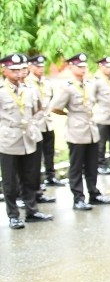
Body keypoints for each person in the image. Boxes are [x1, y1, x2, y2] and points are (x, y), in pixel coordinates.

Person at [50, 53, 110, 209]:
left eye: (84, 66)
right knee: (77, 166)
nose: (83, 69)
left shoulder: (90, 84)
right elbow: (55, 107)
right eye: (79, 66)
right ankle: (78, 197)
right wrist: (70, 115)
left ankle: (94, 193)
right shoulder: (67, 87)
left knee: (92, 165)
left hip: (91, 130)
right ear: (71, 67)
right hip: (76, 132)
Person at [1, 54, 52, 229]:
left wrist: (34, 123)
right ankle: (13, 215)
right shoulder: (1, 90)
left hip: (29, 137)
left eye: (20, 69)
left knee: (31, 176)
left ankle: (31, 210)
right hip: (9, 139)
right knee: (10, 180)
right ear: (4, 70)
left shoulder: (30, 89)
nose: (18, 74)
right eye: (13, 70)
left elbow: (40, 108)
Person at [26, 54, 62, 190]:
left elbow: (51, 100)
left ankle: (50, 176)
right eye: (37, 66)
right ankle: (37, 183)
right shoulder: (27, 83)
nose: (40, 68)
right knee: (35, 157)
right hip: (35, 125)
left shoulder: (47, 82)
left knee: (49, 152)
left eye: (42, 66)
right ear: (30, 66)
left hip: (48, 123)